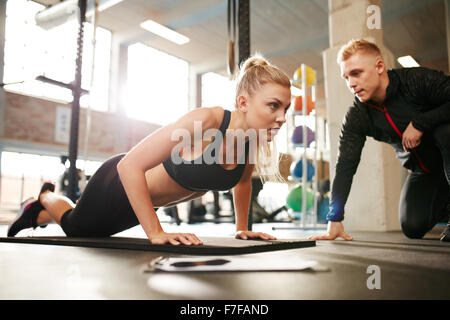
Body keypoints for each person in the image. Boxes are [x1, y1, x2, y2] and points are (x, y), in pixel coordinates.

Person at [7, 54, 292, 246]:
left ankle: (34, 212)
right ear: (243, 103)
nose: (282, 117)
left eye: (286, 108)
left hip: (144, 204)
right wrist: (155, 231)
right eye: (273, 105)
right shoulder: (207, 121)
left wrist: (241, 227)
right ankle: (46, 196)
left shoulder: (251, 141)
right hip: (119, 185)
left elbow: (242, 182)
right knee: (75, 227)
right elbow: (129, 166)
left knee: (93, 233)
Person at [309, 39, 450, 242]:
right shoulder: (359, 115)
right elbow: (345, 165)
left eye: (356, 73)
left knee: (445, 132)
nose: (351, 84)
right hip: (424, 171)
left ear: (380, 67)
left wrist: (421, 123)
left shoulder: (415, 81)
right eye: (346, 77)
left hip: (446, 149)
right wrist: (334, 218)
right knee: (412, 226)